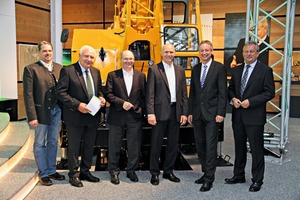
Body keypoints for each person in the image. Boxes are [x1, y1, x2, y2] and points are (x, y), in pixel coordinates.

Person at [226, 41, 275, 192]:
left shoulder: (265, 70)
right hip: (238, 116)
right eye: (246, 51)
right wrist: (233, 99)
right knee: (239, 148)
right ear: (242, 53)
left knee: (256, 149)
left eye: (251, 51)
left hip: (254, 116)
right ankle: (238, 175)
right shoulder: (236, 70)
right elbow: (231, 89)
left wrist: (251, 102)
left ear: (257, 53)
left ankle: (257, 180)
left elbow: (269, 93)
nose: (248, 54)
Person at [56, 45, 106, 187]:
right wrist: (78, 105)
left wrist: (101, 98)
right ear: (79, 56)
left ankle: (85, 171)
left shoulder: (96, 72)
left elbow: (99, 91)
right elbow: (61, 93)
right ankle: (73, 174)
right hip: (75, 116)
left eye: (91, 57)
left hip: (92, 116)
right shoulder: (68, 71)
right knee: (74, 147)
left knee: (89, 146)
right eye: (86, 56)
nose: (89, 59)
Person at [23, 41, 65, 186]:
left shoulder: (59, 68)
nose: (48, 53)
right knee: (40, 143)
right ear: (39, 53)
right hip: (40, 112)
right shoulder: (31, 69)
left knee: (53, 141)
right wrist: (32, 116)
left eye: (50, 51)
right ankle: (44, 173)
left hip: (57, 111)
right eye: (44, 51)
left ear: (53, 52)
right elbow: (28, 95)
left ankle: (52, 170)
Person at [187, 40, 227, 192]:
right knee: (200, 145)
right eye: (202, 50)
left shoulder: (219, 68)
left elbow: (223, 93)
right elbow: (193, 93)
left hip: (212, 115)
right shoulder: (196, 68)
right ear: (199, 52)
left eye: (207, 50)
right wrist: (190, 112)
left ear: (211, 51)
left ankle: (209, 178)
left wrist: (220, 113)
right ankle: (205, 173)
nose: (204, 53)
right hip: (197, 114)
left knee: (211, 147)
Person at [146, 43, 188, 186]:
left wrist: (184, 112)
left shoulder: (180, 70)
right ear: (162, 53)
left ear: (174, 53)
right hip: (158, 113)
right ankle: (154, 173)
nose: (169, 54)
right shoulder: (154, 69)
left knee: (172, 144)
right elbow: (149, 94)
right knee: (156, 144)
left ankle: (169, 171)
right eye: (167, 52)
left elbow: (184, 93)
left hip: (175, 112)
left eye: (172, 52)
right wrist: (150, 113)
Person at [105, 50, 146, 185]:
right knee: (114, 145)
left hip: (134, 116)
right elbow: (108, 94)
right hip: (117, 115)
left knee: (134, 145)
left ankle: (131, 171)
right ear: (121, 60)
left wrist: (138, 107)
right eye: (126, 59)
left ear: (134, 60)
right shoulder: (112, 75)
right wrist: (122, 103)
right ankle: (114, 172)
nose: (129, 61)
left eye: (131, 59)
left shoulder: (141, 76)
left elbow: (144, 96)